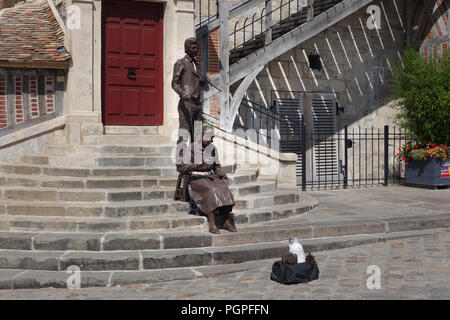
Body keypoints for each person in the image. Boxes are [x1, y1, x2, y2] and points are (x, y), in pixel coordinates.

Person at [176, 125, 237, 234]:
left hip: (209, 176)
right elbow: (182, 168)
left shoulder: (213, 149)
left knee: (224, 188)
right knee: (211, 190)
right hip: (196, 178)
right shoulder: (191, 148)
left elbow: (217, 166)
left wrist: (221, 173)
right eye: (208, 137)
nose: (210, 140)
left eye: (212, 137)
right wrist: (198, 164)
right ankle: (212, 223)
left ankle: (226, 222)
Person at [172, 37, 209, 143]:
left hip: (197, 103)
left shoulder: (197, 65)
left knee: (197, 133)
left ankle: (195, 157)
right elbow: (174, 84)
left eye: (197, 48)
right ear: (187, 49)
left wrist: (203, 80)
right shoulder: (180, 63)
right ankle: (180, 157)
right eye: (193, 48)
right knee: (185, 131)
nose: (196, 50)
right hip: (186, 103)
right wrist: (183, 94)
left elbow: (202, 83)